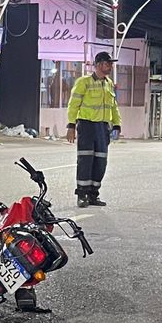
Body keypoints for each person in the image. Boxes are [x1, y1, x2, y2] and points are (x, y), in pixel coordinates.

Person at [65, 51, 121, 207]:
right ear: (98, 65)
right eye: (107, 63)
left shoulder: (109, 83)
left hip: (103, 128)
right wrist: (71, 125)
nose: (110, 66)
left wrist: (117, 124)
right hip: (87, 126)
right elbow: (73, 104)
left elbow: (114, 106)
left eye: (111, 64)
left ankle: (93, 195)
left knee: (100, 162)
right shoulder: (84, 82)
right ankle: (82, 195)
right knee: (85, 161)